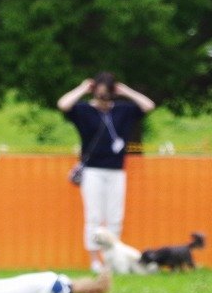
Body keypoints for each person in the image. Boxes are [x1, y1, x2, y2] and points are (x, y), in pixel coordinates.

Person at [57, 72, 155, 274]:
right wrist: (83, 88)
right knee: (93, 215)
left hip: (116, 171)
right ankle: (94, 259)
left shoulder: (122, 111)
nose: (102, 99)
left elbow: (148, 106)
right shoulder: (84, 110)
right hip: (92, 170)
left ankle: (113, 259)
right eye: (99, 94)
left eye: (107, 95)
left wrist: (126, 91)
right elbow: (63, 104)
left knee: (115, 217)